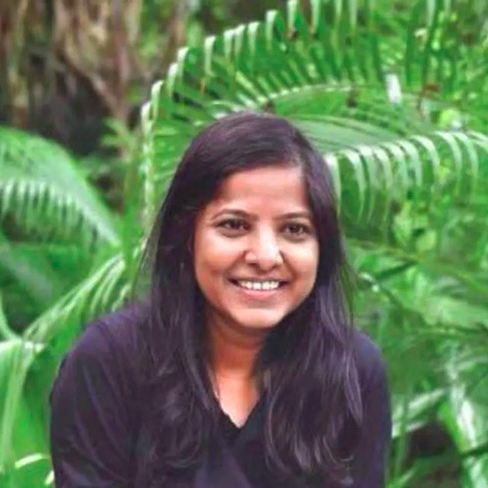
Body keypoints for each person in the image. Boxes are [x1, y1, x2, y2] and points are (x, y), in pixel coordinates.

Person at [50, 111, 391, 488]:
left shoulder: (354, 372)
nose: (265, 256)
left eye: (294, 229)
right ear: (186, 234)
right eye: (234, 225)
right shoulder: (108, 362)